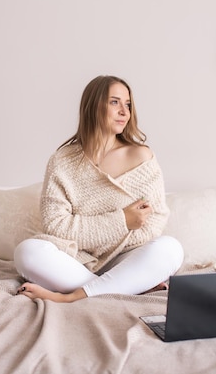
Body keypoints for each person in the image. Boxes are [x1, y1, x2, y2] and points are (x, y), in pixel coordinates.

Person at [14, 75, 183, 303]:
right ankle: (127, 287)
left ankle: (70, 297)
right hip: (77, 260)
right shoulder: (62, 161)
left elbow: (154, 221)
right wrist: (122, 221)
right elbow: (55, 225)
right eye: (115, 102)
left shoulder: (141, 156)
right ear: (94, 106)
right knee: (27, 252)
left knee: (170, 248)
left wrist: (103, 236)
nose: (124, 112)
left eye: (128, 104)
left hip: (127, 259)